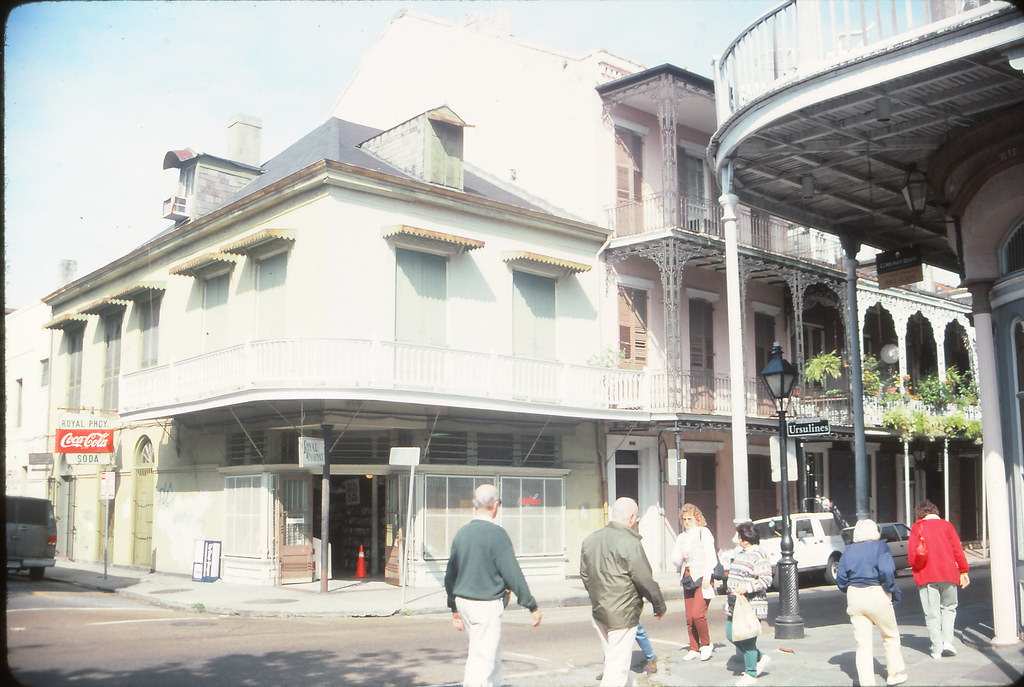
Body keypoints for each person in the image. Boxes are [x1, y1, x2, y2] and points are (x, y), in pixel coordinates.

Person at [444, 483, 542, 687]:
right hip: (485, 604)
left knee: (491, 655)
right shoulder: (497, 534)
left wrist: (453, 608)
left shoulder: (462, 533)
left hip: (464, 602)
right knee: (482, 660)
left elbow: (450, 574)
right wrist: (530, 604)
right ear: (496, 505)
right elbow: (512, 573)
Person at [581, 497, 667, 687]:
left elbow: (585, 576)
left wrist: (598, 596)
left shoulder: (590, 540)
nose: (635, 522)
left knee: (616, 661)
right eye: (636, 518)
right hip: (622, 613)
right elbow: (644, 578)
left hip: (599, 611)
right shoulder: (630, 542)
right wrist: (659, 604)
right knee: (616, 669)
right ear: (631, 518)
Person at [835, 519, 908, 687]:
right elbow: (887, 571)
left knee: (862, 642)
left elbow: (841, 578)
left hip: (854, 594)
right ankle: (894, 674)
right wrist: (890, 589)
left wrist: (849, 588)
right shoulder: (880, 547)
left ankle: (866, 681)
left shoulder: (849, 551)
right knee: (890, 634)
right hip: (876, 592)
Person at [908, 499, 970, 660]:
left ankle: (936, 648)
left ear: (920, 513)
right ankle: (948, 642)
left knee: (932, 614)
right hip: (948, 574)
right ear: (935, 511)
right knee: (949, 608)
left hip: (926, 576)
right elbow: (958, 550)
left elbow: (912, 558)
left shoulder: (917, 527)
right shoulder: (947, 526)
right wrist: (963, 571)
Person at [725, 521, 773, 687]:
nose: (736, 538)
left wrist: (747, 587)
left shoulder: (759, 555)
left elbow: (766, 579)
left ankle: (751, 673)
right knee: (731, 634)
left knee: (747, 639)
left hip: (751, 605)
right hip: (735, 604)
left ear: (745, 538)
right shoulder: (741, 552)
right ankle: (760, 657)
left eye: (738, 535)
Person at [671, 502, 717, 661]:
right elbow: (675, 561)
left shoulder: (703, 532)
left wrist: (707, 577)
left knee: (698, 614)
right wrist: (681, 557)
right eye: (684, 519)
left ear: (697, 518)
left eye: (689, 518)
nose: (686, 522)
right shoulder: (681, 537)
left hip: (702, 576)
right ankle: (693, 647)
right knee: (689, 616)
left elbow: (711, 556)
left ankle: (706, 644)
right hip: (688, 576)